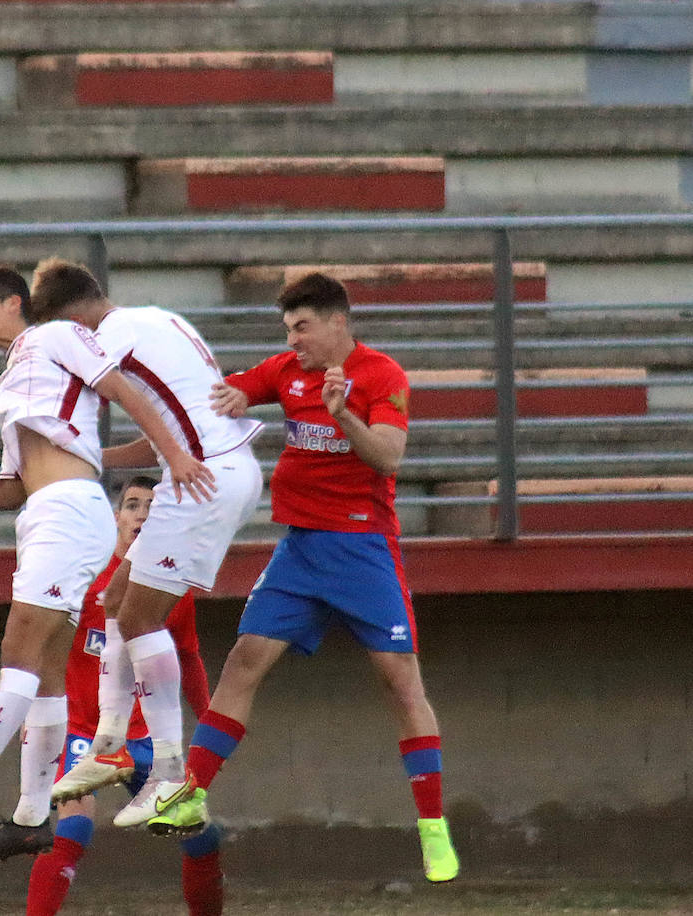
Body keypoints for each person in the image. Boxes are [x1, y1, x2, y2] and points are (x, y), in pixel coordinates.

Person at [0, 262, 215, 863]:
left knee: (18, 654)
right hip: (44, 511)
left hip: (68, 512)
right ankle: (33, 816)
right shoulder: (13, 377)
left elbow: (122, 389)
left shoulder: (54, 336)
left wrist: (175, 456)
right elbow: (15, 485)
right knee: (47, 672)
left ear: (17, 302)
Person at [145, 271, 461, 884]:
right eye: (288, 329)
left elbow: (389, 457)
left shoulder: (382, 376)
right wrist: (233, 396)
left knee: (400, 682)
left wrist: (344, 417)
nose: (294, 340)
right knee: (243, 660)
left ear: (338, 323)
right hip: (300, 552)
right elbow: (231, 390)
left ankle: (432, 826)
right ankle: (192, 793)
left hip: (363, 549)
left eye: (303, 327)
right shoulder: (286, 371)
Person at [30, 258, 263, 828]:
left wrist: (175, 459)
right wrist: (98, 460)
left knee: (139, 620)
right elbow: (172, 418)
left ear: (72, 322)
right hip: (212, 468)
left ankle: (168, 775)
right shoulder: (158, 319)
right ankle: (111, 746)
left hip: (200, 477)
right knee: (116, 601)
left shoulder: (107, 340)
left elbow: (160, 423)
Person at [27, 475, 224, 916]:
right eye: (133, 505)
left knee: (201, 833)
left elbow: (189, 659)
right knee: (72, 829)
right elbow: (40, 648)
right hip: (84, 731)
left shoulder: (172, 589)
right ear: (117, 518)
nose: (142, 514)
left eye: (153, 507)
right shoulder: (82, 579)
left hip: (147, 738)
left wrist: (211, 720)